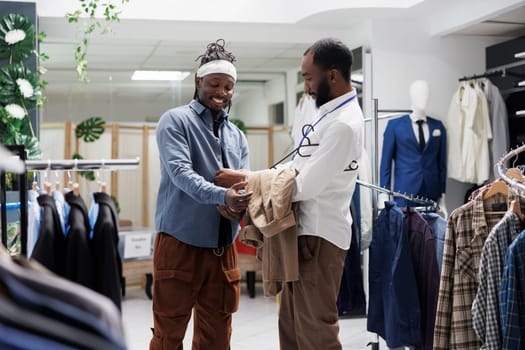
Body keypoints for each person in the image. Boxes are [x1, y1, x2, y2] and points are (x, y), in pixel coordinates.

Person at [217, 38, 364, 350]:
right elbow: (296, 168)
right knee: (292, 327)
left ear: (333, 75)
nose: (307, 86)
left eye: (310, 77)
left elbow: (303, 184)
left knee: (315, 332)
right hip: (304, 234)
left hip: (319, 238)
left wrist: (247, 178)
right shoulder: (327, 115)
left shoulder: (344, 126)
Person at [150, 39, 252, 350]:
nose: (221, 92)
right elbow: (182, 175)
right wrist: (223, 198)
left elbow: (243, 184)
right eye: (214, 84)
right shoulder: (175, 121)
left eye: (228, 86)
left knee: (218, 339)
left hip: (223, 249)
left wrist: (238, 205)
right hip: (179, 244)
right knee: (169, 335)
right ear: (198, 82)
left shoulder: (237, 136)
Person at [379, 80, 447, 212]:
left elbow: (442, 164)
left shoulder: (438, 126)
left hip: (431, 192)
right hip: (404, 192)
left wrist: (443, 195)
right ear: (411, 95)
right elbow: (385, 164)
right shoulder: (395, 126)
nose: (423, 98)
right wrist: (383, 193)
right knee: (405, 231)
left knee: (430, 230)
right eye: (419, 94)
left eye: (426, 94)